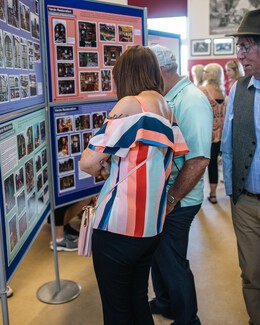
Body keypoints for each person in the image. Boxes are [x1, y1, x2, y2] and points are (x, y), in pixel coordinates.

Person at [80, 45, 188, 325]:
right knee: (137, 300)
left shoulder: (130, 104)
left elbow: (88, 162)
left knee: (116, 309)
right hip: (150, 225)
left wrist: (104, 167)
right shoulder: (167, 109)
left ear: (126, 74)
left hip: (118, 225)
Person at [148, 45, 213, 325]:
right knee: (159, 256)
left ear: (161, 71)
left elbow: (198, 160)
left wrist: (172, 199)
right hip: (166, 195)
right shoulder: (167, 97)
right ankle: (165, 301)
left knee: (173, 262)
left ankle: (188, 319)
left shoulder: (191, 100)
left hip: (180, 198)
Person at [222, 9, 260, 325]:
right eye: (239, 46)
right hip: (246, 201)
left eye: (247, 45)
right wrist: (232, 193)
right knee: (251, 271)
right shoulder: (238, 89)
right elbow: (228, 144)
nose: (240, 54)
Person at [199, 63, 226, 204]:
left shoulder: (202, 90)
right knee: (214, 164)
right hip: (221, 135)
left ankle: (197, 195)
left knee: (199, 164)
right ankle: (214, 194)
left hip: (206, 134)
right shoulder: (223, 91)